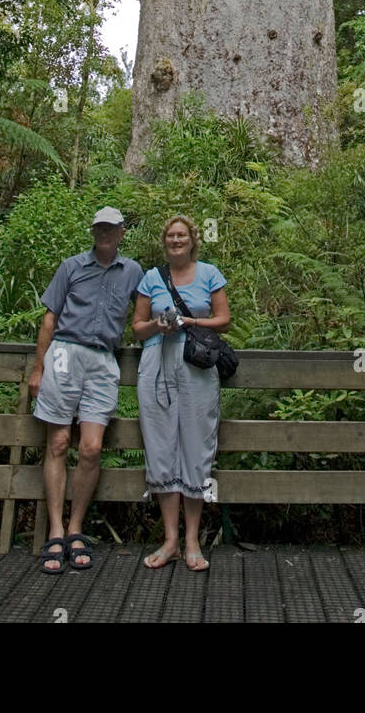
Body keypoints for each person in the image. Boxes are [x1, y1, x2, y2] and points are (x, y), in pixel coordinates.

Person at [29, 207, 143, 573]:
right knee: (59, 442)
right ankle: (56, 530)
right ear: (93, 231)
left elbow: (144, 317)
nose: (104, 233)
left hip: (103, 359)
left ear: (122, 232)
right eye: (99, 228)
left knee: (91, 448)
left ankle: (77, 526)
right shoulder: (72, 266)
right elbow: (50, 317)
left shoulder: (134, 272)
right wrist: (38, 368)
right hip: (65, 354)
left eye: (111, 228)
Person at [132, 214, 231, 572]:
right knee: (160, 447)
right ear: (165, 241)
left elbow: (224, 319)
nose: (176, 240)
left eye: (182, 235)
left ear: (192, 240)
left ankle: (192, 540)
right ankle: (170, 539)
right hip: (157, 363)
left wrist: (190, 322)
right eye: (171, 236)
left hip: (197, 366)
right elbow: (137, 328)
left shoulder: (209, 273)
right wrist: (158, 324)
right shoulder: (151, 278)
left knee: (196, 445)